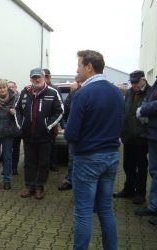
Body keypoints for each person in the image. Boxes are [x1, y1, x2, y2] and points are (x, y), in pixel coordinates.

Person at [65, 50, 124, 250]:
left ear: (89, 67)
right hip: (112, 157)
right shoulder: (117, 92)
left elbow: (71, 134)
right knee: (106, 210)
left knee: (83, 212)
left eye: (79, 65)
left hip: (88, 158)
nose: (77, 69)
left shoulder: (82, 93)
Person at [16, 68, 63, 200]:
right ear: (30, 79)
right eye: (34, 77)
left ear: (44, 77)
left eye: (39, 77)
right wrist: (21, 125)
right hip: (28, 135)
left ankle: (39, 187)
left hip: (45, 136)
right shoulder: (25, 92)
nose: (37, 79)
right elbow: (18, 109)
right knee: (29, 162)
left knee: (43, 162)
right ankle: (29, 185)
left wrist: (48, 126)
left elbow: (59, 111)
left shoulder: (52, 92)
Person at [114, 70, 149, 204]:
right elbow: (125, 112)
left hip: (142, 137)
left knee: (141, 166)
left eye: (136, 82)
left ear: (143, 80)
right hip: (128, 136)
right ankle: (128, 189)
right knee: (128, 165)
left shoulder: (150, 92)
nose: (134, 84)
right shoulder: (129, 93)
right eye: (132, 82)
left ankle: (140, 193)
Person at [135, 75, 157, 225]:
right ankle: (154, 206)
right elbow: (149, 99)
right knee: (154, 171)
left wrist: (143, 110)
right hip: (152, 133)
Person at [58, 77, 83, 191]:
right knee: (72, 158)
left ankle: (81, 182)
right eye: (79, 82)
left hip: (88, 134)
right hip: (73, 132)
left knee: (85, 160)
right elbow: (64, 111)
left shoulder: (94, 93)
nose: (80, 84)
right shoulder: (73, 94)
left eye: (82, 81)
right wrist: (65, 127)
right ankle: (70, 181)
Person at [44, 68, 62, 172]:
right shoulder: (37, 88)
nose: (45, 78)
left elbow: (60, 106)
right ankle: (43, 164)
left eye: (47, 76)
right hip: (40, 122)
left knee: (52, 144)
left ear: (49, 77)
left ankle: (52, 163)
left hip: (52, 121)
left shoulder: (55, 89)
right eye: (44, 76)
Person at [7, 80, 22, 175]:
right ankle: (6, 168)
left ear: (16, 87)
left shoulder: (21, 98)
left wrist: (15, 112)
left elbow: (23, 112)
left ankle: (14, 168)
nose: (11, 89)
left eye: (12, 87)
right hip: (7, 129)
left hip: (17, 129)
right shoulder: (4, 98)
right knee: (7, 150)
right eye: (9, 87)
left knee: (16, 149)